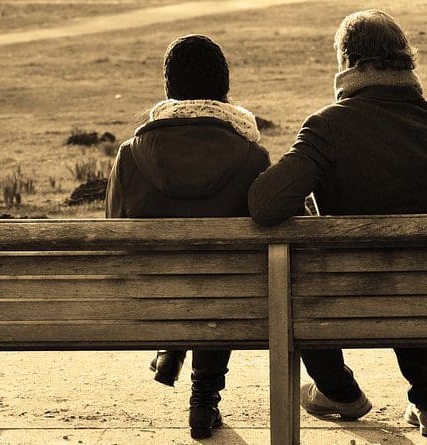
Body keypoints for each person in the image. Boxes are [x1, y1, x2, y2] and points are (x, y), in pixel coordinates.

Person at [247, 9, 427, 437]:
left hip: (345, 293)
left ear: (348, 62)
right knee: (407, 258)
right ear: (406, 60)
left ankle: (339, 391)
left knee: (296, 270)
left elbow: (264, 203)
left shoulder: (328, 126)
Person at [105, 34, 270, 440]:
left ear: (169, 89)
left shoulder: (130, 154)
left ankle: (173, 346)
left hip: (151, 301)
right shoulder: (252, 156)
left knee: (188, 278)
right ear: (225, 89)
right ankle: (204, 399)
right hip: (229, 299)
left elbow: (111, 230)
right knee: (221, 280)